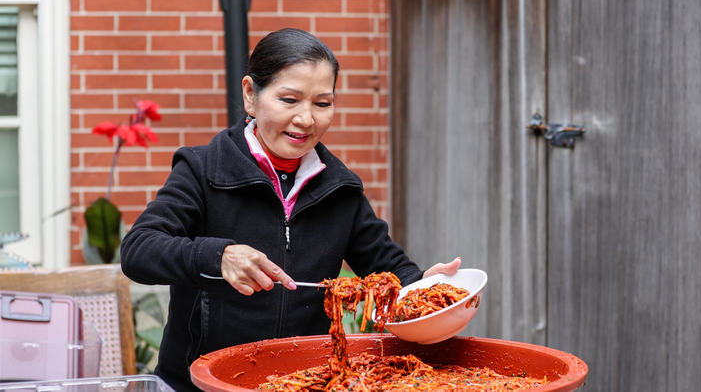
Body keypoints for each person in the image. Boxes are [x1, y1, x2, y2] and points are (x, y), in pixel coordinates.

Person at [120, 28, 461, 391]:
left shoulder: (340, 188)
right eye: (289, 99)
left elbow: (390, 269)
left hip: (301, 382)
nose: (306, 119)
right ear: (251, 95)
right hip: (199, 384)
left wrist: (425, 285)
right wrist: (218, 256)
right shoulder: (203, 170)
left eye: (322, 103)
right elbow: (139, 250)